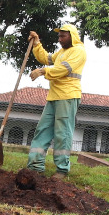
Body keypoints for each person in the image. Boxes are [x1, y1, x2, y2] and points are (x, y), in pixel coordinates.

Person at [25, 24, 86, 175]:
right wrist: (37, 43)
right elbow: (46, 58)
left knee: (62, 133)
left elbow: (63, 69)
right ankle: (35, 167)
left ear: (71, 35)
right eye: (59, 36)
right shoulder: (61, 52)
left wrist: (42, 71)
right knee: (42, 130)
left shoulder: (78, 51)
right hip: (54, 96)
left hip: (68, 96)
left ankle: (62, 169)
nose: (59, 39)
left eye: (62, 36)